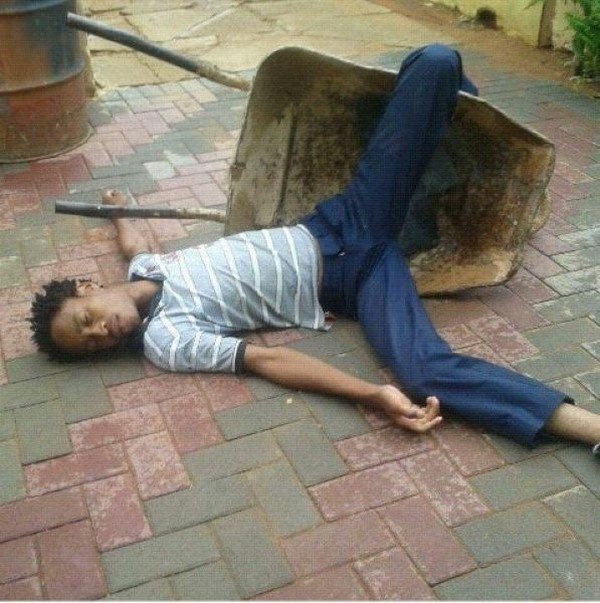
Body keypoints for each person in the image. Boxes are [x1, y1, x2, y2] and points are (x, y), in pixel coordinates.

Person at [30, 45, 600, 453]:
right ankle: (586, 427)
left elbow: (133, 243)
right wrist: (372, 395)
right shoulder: (167, 341)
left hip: (341, 219)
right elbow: (268, 362)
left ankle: (457, 113)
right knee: (422, 371)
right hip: (355, 277)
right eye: (92, 346)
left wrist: (116, 210)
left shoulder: (145, 265)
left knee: (434, 61)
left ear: (88, 287)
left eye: (85, 320)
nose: (101, 334)